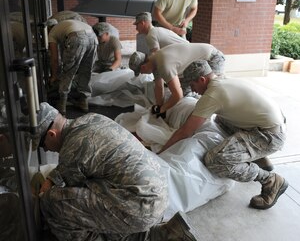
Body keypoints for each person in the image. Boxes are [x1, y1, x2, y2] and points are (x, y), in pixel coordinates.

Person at [35, 102, 200, 241]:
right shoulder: (89, 119)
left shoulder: (72, 148)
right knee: (95, 196)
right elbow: (75, 164)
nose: (48, 150)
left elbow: (67, 185)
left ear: (51, 134)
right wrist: (52, 178)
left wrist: (46, 188)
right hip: (157, 195)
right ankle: (163, 234)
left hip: (140, 205)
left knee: (53, 202)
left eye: (44, 146)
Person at [160, 60, 288, 210]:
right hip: (269, 124)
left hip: (269, 135)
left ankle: (271, 180)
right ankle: (256, 155)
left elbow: (185, 131)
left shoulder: (213, 94)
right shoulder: (222, 79)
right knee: (220, 120)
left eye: (193, 86)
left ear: (202, 79)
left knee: (215, 160)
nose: (194, 91)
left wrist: (160, 154)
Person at [129, 43, 225, 117]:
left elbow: (177, 95)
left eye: (141, 72)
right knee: (187, 92)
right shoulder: (154, 61)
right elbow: (159, 87)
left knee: (210, 91)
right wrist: (159, 107)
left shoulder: (163, 64)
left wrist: (163, 109)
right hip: (199, 61)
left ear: (143, 67)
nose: (143, 74)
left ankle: (211, 117)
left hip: (213, 58)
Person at [46, 18, 98, 115]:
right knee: (86, 70)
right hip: (92, 36)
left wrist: (54, 76)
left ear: (48, 28)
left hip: (77, 37)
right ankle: (83, 102)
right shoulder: (64, 25)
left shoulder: (52, 32)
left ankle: (62, 105)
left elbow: (54, 58)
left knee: (68, 71)